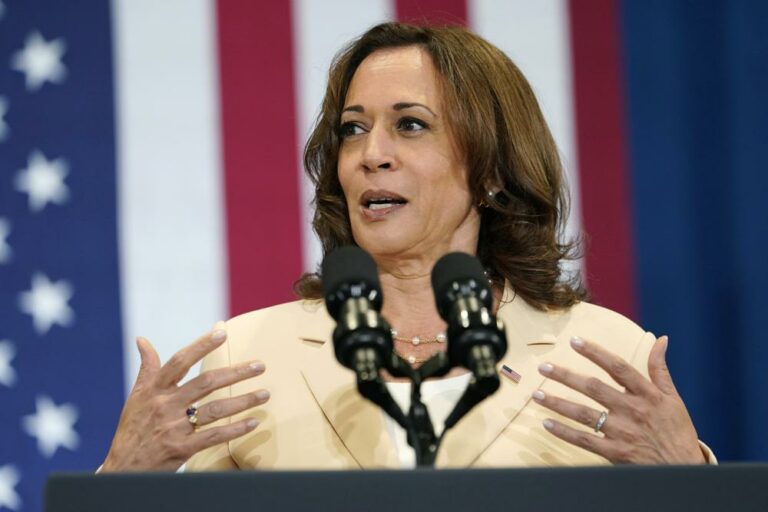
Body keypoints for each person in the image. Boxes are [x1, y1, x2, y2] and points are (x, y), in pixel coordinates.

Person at [100, 22, 713, 471]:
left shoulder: (605, 356)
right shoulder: (249, 357)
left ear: (491, 169)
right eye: (353, 129)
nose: (371, 154)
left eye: (410, 124)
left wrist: (690, 478)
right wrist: (123, 480)